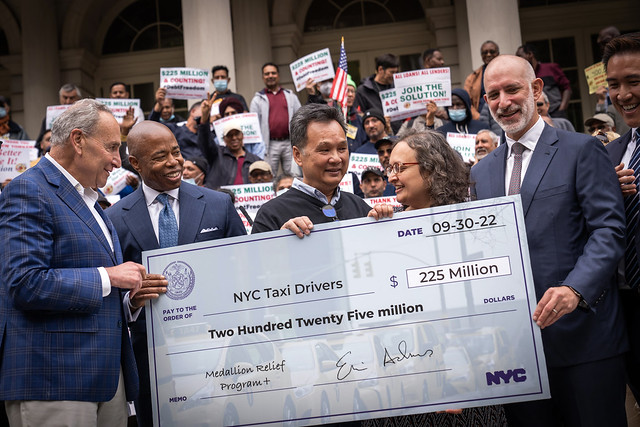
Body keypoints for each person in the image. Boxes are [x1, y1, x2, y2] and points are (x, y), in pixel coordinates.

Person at [471, 54, 627, 426]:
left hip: (585, 342)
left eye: (512, 89)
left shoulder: (582, 150)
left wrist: (575, 289)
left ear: (536, 89)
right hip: (517, 352)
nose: (503, 102)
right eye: (493, 95)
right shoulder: (481, 171)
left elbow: (608, 231)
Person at [0, 99, 146, 426]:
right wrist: (109, 276)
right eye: (111, 147)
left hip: (106, 378)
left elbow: (97, 288)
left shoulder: (93, 200)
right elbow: (25, 284)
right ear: (78, 141)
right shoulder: (28, 189)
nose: (117, 160)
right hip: (53, 381)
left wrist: (129, 298)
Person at [363, 130, 506, 427]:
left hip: (468, 387)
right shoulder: (382, 229)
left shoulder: (475, 228)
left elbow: (491, 310)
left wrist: (456, 379)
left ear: (430, 169)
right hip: (404, 390)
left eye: (400, 168)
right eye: (390, 169)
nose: (392, 177)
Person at [107, 121, 245, 427]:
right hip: (152, 360)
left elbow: (243, 269)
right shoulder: (113, 219)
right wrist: (131, 302)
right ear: (136, 164)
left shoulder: (218, 205)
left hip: (217, 350)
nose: (174, 162)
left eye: (176, 152)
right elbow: (110, 290)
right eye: (160, 157)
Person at [252, 104, 392, 235]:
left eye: (342, 148)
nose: (336, 158)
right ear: (298, 155)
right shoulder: (270, 215)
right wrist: (278, 244)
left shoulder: (361, 208)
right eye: (325, 150)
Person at [602, 31, 640, 405]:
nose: (623, 94)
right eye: (614, 85)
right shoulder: (611, 153)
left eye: (634, 81)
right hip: (625, 311)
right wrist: (605, 191)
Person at [250, 62, 301, 175]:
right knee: (268, 175)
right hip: (269, 144)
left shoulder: (290, 96)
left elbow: (301, 118)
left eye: (273, 73)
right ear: (263, 77)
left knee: (294, 175)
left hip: (289, 143)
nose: (270, 76)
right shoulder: (257, 99)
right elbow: (254, 126)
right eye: (267, 74)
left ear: (278, 75)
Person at [199, 96, 261, 189]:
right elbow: (205, 142)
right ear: (224, 139)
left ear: (242, 136)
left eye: (237, 134)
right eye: (229, 135)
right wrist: (204, 119)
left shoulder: (254, 160)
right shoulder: (216, 155)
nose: (234, 138)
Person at [516, 44, 571, 119]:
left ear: (529, 54)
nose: (518, 59)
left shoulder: (551, 68)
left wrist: (561, 109)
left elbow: (567, 89)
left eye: (519, 56)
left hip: (556, 113)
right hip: (535, 116)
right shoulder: (523, 75)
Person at [464, 41, 500, 119]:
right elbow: (466, 101)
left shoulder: (507, 72)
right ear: (481, 55)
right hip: (481, 118)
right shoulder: (472, 78)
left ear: (498, 53)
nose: (488, 54)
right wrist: (479, 118)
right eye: (485, 52)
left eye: (492, 52)